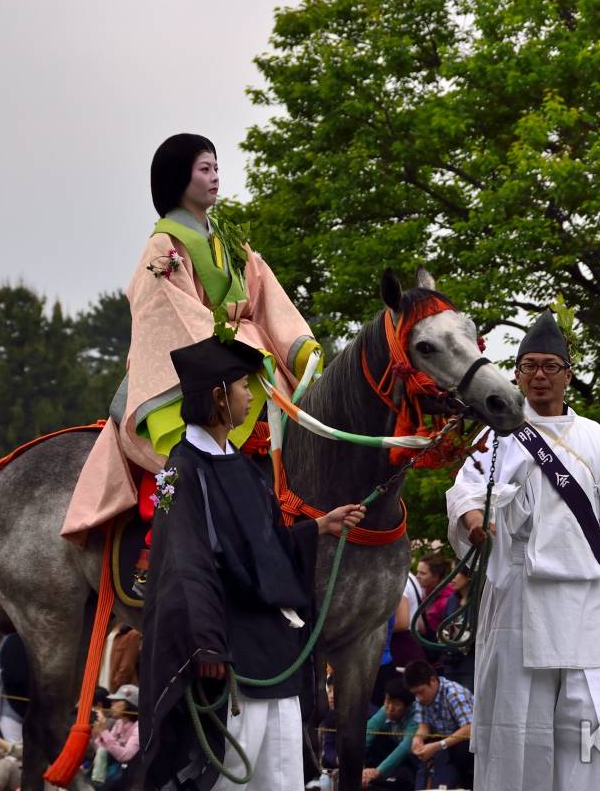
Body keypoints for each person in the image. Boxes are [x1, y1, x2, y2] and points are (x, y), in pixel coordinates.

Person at [445, 311, 600, 790]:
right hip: (519, 595)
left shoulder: (595, 437)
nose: (540, 375)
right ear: (516, 374)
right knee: (516, 717)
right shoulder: (496, 433)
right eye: (529, 365)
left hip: (583, 599)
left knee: (583, 717)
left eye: (550, 365)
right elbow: (466, 491)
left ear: (568, 374)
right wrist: (476, 522)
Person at [63, 133, 323, 543]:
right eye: (205, 169)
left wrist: (296, 343)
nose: (216, 177)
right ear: (178, 179)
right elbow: (169, 313)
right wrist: (232, 348)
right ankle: (176, 535)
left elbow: (266, 293)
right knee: (188, 448)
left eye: (217, 168)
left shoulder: (230, 240)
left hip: (247, 353)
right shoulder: (162, 246)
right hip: (190, 365)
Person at [138, 336, 364, 791]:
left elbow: (264, 543)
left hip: (274, 651)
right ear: (220, 396)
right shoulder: (182, 472)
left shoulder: (242, 465)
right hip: (229, 657)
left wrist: (317, 528)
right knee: (229, 780)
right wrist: (206, 645)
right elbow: (187, 566)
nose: (250, 397)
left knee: (281, 778)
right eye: (243, 387)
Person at [403, 661, 473, 790]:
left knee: (455, 753)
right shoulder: (421, 698)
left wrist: (438, 746)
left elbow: (469, 729)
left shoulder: (454, 693)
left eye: (421, 692)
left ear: (433, 680)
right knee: (412, 751)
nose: (419, 697)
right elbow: (424, 726)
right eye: (415, 694)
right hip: (444, 742)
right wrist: (417, 739)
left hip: (464, 744)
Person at [361, 678, 418, 789]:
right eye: (387, 702)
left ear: (408, 706)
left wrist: (378, 771)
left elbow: (404, 748)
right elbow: (367, 733)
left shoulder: (415, 715)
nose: (390, 708)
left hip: (417, 759)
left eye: (396, 704)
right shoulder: (385, 710)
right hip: (395, 758)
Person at [0, 606, 27, 745]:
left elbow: (16, 674)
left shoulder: (13, 641)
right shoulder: (9, 640)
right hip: (5, 707)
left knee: (15, 748)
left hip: (11, 708)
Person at [91, 684, 140, 790]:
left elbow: (126, 756)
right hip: (115, 771)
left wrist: (104, 732)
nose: (112, 704)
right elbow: (100, 747)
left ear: (129, 704)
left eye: (117, 701)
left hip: (131, 776)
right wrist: (100, 733)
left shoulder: (139, 727)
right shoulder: (119, 723)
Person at [414, 553, 453, 647]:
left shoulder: (447, 600)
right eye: (417, 572)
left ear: (436, 576)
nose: (417, 576)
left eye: (422, 573)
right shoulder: (425, 591)